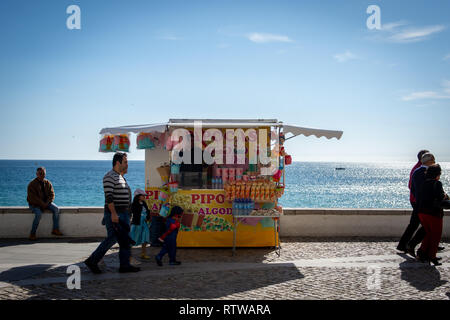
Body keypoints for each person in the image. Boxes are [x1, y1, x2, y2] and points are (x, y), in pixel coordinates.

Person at [84, 152, 140, 274]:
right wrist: (114, 213)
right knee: (112, 238)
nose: (127, 164)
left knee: (124, 241)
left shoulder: (120, 177)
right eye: (125, 162)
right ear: (118, 162)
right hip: (115, 214)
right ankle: (92, 261)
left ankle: (125, 266)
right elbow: (109, 197)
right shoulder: (109, 176)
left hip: (123, 214)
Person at [397, 150, 429, 254]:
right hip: (417, 201)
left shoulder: (419, 168)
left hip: (416, 200)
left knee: (416, 224)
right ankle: (408, 244)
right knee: (423, 225)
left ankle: (404, 245)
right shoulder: (419, 169)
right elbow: (411, 186)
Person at [416, 164, 449, 266]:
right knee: (435, 235)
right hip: (433, 213)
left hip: (422, 212)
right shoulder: (437, 184)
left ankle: (422, 253)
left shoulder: (423, 183)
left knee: (429, 233)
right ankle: (432, 256)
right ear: (437, 174)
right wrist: (445, 196)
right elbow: (440, 198)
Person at [27, 167, 63, 240]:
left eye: (43, 173)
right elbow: (32, 198)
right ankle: (32, 234)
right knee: (38, 214)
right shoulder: (32, 184)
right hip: (34, 204)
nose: (42, 175)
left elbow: (52, 194)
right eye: (40, 173)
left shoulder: (48, 183)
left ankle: (55, 229)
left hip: (46, 203)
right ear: (36, 174)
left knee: (56, 209)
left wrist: (47, 203)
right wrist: (42, 204)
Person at [130, 188, 151, 260]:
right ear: (138, 196)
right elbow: (133, 214)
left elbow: (147, 211)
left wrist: (147, 218)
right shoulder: (134, 205)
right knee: (133, 238)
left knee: (145, 237)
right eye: (143, 195)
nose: (144, 197)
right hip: (137, 223)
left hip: (144, 223)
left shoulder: (144, 203)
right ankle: (129, 255)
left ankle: (143, 253)